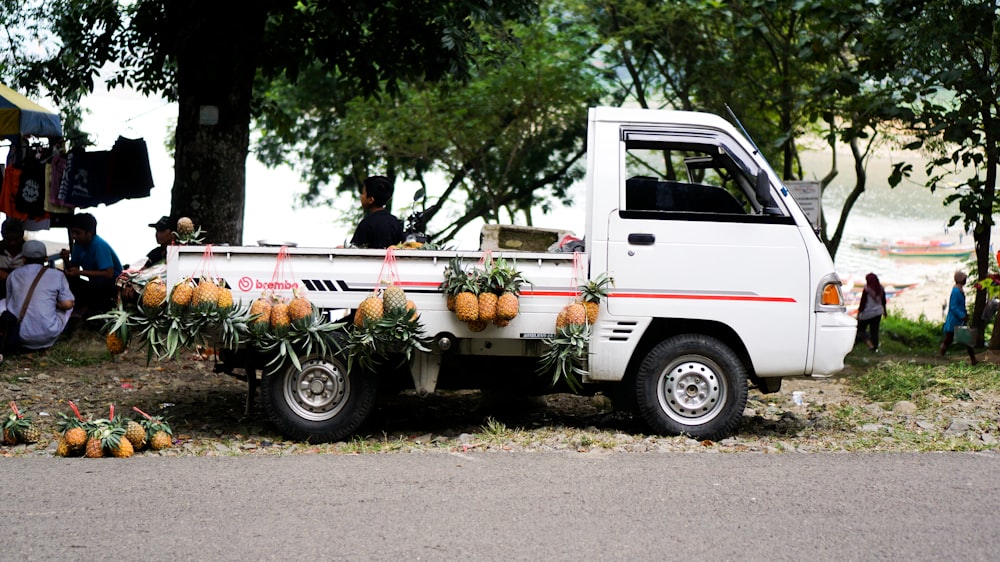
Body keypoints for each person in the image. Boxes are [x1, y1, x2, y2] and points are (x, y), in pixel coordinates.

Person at [4, 240, 75, 353]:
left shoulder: (13, 275)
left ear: (23, 259)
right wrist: (55, 304)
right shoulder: (57, 275)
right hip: (47, 334)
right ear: (46, 259)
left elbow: (9, 305)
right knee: (69, 304)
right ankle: (59, 336)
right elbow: (67, 304)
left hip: (20, 334)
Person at [59, 212, 122, 316]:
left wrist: (80, 272)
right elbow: (74, 269)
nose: (74, 236)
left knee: (100, 283)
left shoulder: (99, 245)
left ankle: (91, 309)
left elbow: (108, 274)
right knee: (64, 278)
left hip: (112, 286)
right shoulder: (78, 245)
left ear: (90, 233)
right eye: (72, 232)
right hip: (94, 284)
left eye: (77, 233)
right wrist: (66, 260)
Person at [350, 175, 404, 249]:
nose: (361, 196)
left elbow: (354, 249)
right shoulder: (395, 222)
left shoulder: (366, 224)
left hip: (370, 261)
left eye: (363, 193)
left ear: (371, 200)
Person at [940, 270, 978, 365]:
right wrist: (962, 315)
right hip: (954, 320)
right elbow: (953, 306)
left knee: (966, 340)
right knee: (949, 339)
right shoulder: (956, 291)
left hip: (959, 320)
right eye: (964, 278)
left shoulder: (959, 289)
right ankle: (940, 356)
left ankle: (973, 360)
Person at [856, 272, 887, 352]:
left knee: (860, 330)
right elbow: (883, 301)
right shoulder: (881, 289)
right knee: (874, 331)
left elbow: (862, 303)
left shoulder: (867, 289)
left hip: (867, 313)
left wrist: (859, 313)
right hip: (878, 313)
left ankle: (869, 344)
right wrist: (885, 311)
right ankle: (875, 346)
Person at [0, 218, 25, 299]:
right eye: (8, 239)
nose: (12, 243)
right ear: (2, 234)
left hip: (23, 296)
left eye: (16, 239)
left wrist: (9, 276)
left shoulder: (29, 252)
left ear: (22, 234)